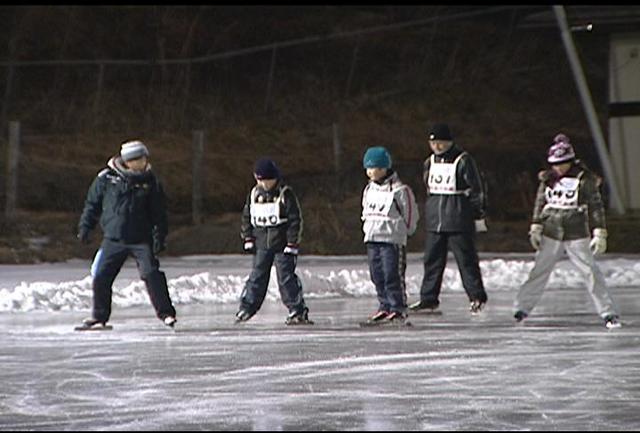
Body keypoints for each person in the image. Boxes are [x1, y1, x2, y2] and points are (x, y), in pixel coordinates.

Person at [513, 133, 621, 329]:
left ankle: (607, 311)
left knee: (590, 271)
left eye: (562, 163)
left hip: (576, 231)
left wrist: (599, 231)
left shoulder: (584, 179)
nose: (559, 167)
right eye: (555, 163)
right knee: (540, 270)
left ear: (571, 161)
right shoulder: (548, 179)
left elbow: (596, 206)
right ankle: (522, 307)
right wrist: (536, 226)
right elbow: (540, 202)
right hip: (551, 230)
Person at [76, 140, 177, 329]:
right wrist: (85, 227)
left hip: (141, 239)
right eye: (140, 159)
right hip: (113, 239)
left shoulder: (151, 182)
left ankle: (166, 313)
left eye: (145, 158)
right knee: (101, 275)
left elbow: (159, 213)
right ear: (129, 161)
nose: (144, 162)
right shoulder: (106, 179)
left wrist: (159, 237)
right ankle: (99, 317)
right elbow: (92, 205)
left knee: (151, 274)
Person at [409, 123, 489, 314]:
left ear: (449, 142)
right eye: (433, 143)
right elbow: (428, 188)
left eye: (441, 143)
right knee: (432, 260)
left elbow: (477, 189)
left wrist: (478, 214)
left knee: (466, 259)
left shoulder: (463, 160)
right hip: (435, 220)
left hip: (459, 218)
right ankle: (428, 298)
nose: (437, 147)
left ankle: (476, 296)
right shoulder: (429, 162)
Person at [235, 158, 312, 325]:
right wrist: (248, 237)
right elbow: (247, 217)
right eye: (259, 180)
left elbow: (294, 220)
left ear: (275, 178)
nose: (263, 184)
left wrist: (292, 243)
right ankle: (247, 307)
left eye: (267, 180)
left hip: (282, 246)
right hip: (261, 245)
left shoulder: (285, 194)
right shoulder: (254, 194)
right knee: (257, 276)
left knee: (286, 278)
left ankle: (297, 309)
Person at [361, 146, 419, 325]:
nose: (372, 173)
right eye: (369, 169)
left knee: (392, 274)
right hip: (373, 238)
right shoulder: (369, 189)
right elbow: (365, 209)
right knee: (376, 274)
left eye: (376, 168)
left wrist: (406, 231)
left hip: (391, 240)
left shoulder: (399, 190)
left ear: (385, 168)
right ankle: (384, 305)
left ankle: (398, 307)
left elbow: (410, 213)